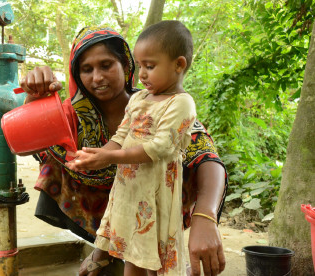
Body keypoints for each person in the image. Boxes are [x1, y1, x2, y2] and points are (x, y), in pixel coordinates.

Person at [20, 25, 227, 276]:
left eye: (106, 65)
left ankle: (160, 253)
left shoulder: (158, 103)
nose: (97, 77)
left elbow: (206, 155)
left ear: (125, 66)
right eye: (87, 69)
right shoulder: (72, 114)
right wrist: (34, 102)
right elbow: (24, 145)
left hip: (156, 196)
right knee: (57, 162)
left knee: (174, 160)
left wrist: (205, 217)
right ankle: (106, 248)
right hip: (113, 200)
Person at [66, 20, 197, 276]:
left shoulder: (181, 103)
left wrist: (112, 157)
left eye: (150, 66)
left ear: (179, 65)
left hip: (156, 191)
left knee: (155, 258)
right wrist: (99, 155)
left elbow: (160, 147)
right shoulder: (139, 98)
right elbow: (122, 134)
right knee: (132, 254)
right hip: (128, 189)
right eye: (140, 67)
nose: (142, 75)